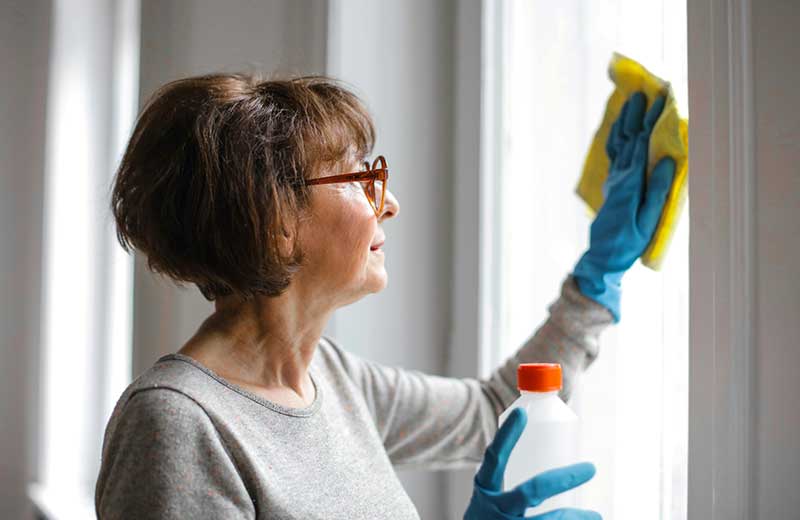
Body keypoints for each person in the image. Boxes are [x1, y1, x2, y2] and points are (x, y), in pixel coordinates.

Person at [95, 73, 673, 519]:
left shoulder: (335, 380)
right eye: (355, 177)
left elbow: (495, 411)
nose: (388, 201)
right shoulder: (176, 423)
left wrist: (598, 275)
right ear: (273, 218)